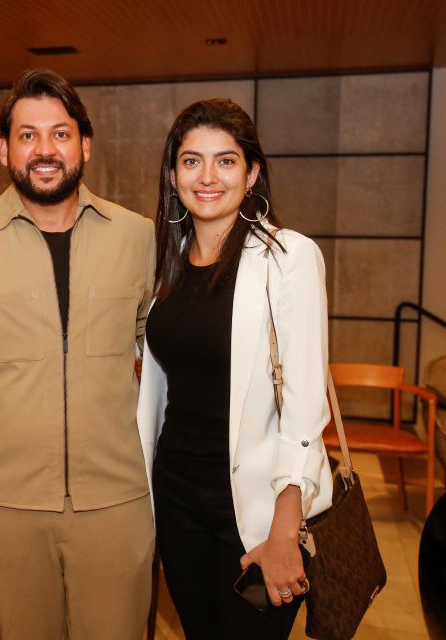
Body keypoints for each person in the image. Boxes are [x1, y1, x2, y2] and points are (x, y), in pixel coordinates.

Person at [0, 69, 156, 640]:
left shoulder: (139, 237)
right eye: (28, 135)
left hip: (119, 504)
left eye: (60, 133)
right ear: (4, 149)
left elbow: (165, 361)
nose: (45, 149)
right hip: (3, 509)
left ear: (85, 144)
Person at [137, 99, 334, 639]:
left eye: (226, 161)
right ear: (173, 175)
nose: (207, 177)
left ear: (252, 174)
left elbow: (304, 405)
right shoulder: (167, 263)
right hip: (176, 499)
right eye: (191, 161)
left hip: (256, 510)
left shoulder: (286, 258)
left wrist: (285, 530)